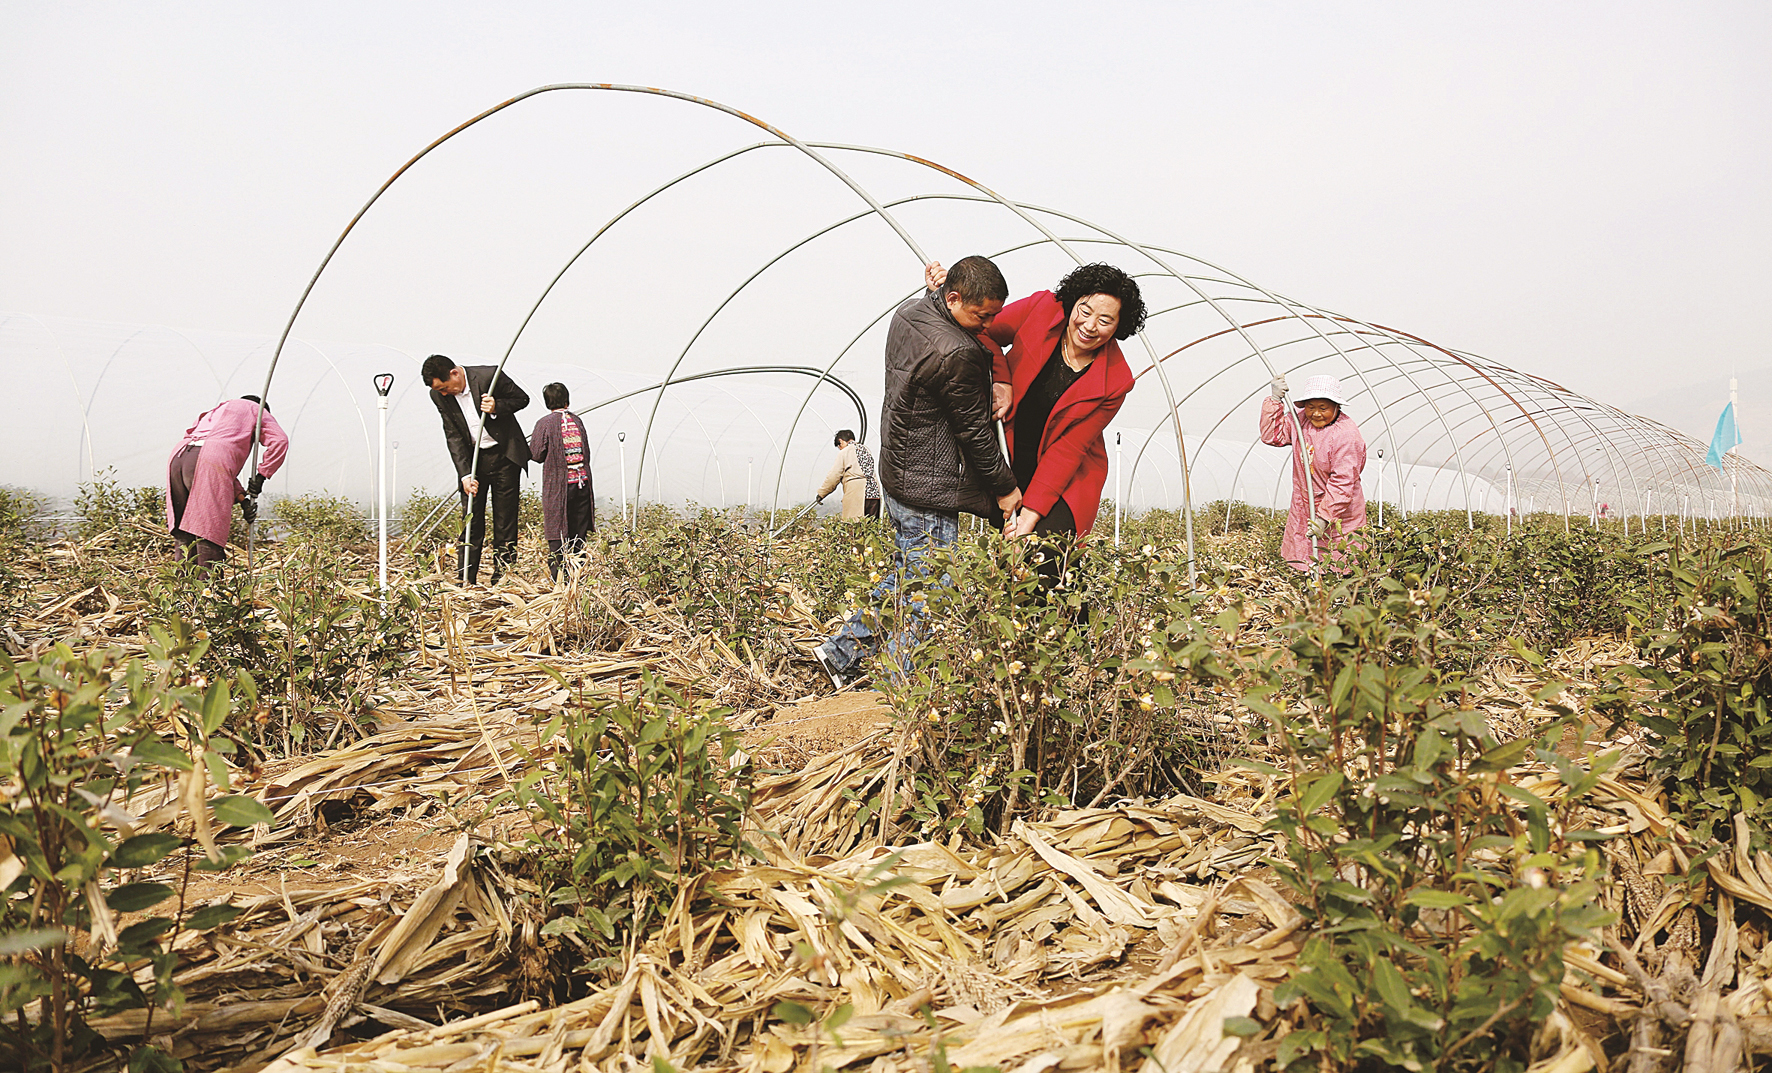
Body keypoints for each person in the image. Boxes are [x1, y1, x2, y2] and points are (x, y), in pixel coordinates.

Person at [812, 255, 1022, 688]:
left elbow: (941, 313)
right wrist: (1004, 489)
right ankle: (896, 682)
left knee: (911, 573)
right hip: (928, 483)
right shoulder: (957, 351)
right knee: (932, 584)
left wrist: (933, 290)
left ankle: (840, 655)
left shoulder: (909, 313)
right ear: (955, 298)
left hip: (900, 472)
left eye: (995, 316)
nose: (988, 327)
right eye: (983, 316)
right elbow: (974, 433)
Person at [422, 355, 532, 585]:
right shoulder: (439, 396)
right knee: (471, 519)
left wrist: (496, 406)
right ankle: (465, 579)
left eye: (444, 388)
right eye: (439, 391)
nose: (443, 393)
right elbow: (452, 434)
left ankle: (503, 579)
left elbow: (522, 399)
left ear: (454, 373)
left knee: (505, 522)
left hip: (504, 456)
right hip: (474, 461)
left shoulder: (489, 376)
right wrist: (464, 474)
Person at [165, 395, 288, 573]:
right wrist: (262, 476)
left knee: (184, 531)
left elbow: (219, 473)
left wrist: (243, 500)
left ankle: (183, 591)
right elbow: (279, 441)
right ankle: (209, 592)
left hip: (180, 456)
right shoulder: (257, 410)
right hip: (209, 459)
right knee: (208, 531)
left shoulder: (217, 411)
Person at [1259, 373, 1368, 570]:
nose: (1316, 414)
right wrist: (1275, 401)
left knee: (1339, 565)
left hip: (1341, 512)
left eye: (1323, 408)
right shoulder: (1300, 421)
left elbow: (1343, 482)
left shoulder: (1347, 435)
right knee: (1303, 564)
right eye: (1311, 407)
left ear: (1336, 407)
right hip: (1304, 505)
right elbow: (1271, 435)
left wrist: (1324, 518)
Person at [527, 382, 595, 582]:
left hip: (559, 487)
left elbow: (537, 454)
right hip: (581, 483)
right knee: (577, 534)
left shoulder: (545, 423)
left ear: (547, 402)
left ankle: (560, 581)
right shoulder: (577, 421)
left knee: (557, 532)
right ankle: (577, 579)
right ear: (567, 400)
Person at [815, 430, 875, 520]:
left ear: (841, 441)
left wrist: (822, 493)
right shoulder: (866, 449)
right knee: (871, 525)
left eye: (839, 446)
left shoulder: (845, 452)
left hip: (857, 493)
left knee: (854, 526)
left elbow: (834, 476)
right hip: (874, 492)